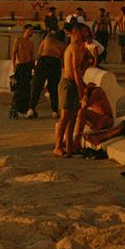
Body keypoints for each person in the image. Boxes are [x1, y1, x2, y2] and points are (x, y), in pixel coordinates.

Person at [54, 25, 87, 157]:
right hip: (69, 84)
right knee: (65, 116)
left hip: (72, 83)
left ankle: (69, 146)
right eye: (83, 33)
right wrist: (81, 91)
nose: (84, 36)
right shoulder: (73, 48)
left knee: (73, 116)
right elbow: (75, 71)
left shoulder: (78, 48)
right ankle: (58, 146)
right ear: (76, 33)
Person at [25, 30, 66, 118]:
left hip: (43, 61)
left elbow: (40, 52)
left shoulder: (47, 40)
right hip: (55, 62)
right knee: (53, 88)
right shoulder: (63, 45)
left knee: (37, 86)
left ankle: (31, 109)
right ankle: (54, 111)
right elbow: (63, 59)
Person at [73, 82, 114, 152]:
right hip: (99, 121)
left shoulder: (96, 92)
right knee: (72, 112)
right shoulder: (88, 94)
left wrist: (85, 93)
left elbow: (84, 106)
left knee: (81, 112)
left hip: (107, 120)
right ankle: (71, 140)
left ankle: (76, 141)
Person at [10, 24, 36, 117]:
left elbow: (32, 56)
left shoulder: (31, 43)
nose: (32, 32)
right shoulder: (18, 40)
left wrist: (33, 67)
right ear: (25, 30)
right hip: (20, 65)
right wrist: (13, 65)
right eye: (30, 30)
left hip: (27, 66)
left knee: (27, 88)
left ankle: (25, 108)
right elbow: (13, 53)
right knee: (19, 88)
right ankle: (15, 108)